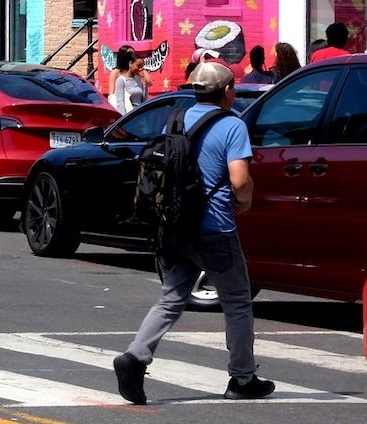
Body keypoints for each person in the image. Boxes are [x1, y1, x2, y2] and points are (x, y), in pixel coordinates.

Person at [112, 61, 275, 404]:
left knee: (171, 299)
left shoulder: (177, 118)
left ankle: (135, 356)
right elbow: (240, 180)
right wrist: (244, 201)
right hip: (216, 226)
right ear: (227, 90)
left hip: (174, 224)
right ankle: (242, 377)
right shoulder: (232, 125)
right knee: (237, 302)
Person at [109, 45, 149, 114]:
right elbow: (114, 97)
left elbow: (144, 99)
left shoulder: (137, 78)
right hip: (129, 114)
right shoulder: (118, 75)